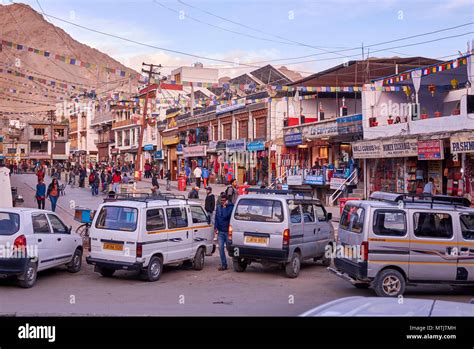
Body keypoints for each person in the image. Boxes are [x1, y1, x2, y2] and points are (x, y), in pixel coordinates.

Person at [214, 193, 234, 271]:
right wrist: (215, 227)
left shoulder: (230, 207)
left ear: (227, 201)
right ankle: (224, 264)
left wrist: (225, 207)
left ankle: (236, 262)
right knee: (221, 248)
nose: (222, 202)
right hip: (220, 232)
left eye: (224, 201)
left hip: (227, 232)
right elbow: (216, 218)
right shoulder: (218, 207)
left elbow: (226, 216)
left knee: (230, 248)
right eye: (221, 201)